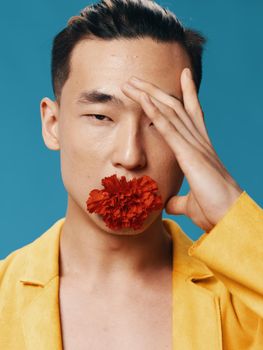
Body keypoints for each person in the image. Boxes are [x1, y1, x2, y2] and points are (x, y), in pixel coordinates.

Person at [0, 0, 262, 349]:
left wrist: (233, 216)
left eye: (160, 121)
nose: (130, 156)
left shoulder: (244, 303)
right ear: (53, 125)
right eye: (100, 117)